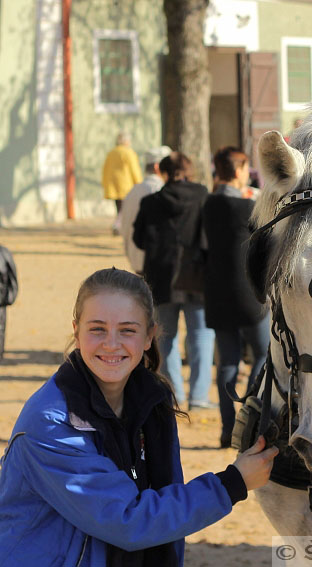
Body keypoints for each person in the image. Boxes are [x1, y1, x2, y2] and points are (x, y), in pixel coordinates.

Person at [0, 268, 278, 565]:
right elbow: (126, 520)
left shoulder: (152, 402)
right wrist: (232, 483)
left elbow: (165, 519)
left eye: (127, 330)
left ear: (149, 336)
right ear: (76, 332)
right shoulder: (51, 422)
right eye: (97, 329)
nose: (111, 343)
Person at [133, 152, 215, 410]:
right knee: (201, 335)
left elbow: (139, 240)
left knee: (164, 338)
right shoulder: (203, 196)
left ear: (162, 172)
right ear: (189, 171)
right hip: (197, 275)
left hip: (161, 276)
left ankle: (173, 394)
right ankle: (199, 396)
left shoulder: (151, 202)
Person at [203, 147, 270, 448]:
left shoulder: (208, 204)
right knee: (262, 354)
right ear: (240, 171)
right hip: (249, 292)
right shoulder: (250, 207)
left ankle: (227, 427)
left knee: (227, 362)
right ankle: (249, 416)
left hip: (216, 291)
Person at [120, 145, 172, 274]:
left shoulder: (133, 191)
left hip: (135, 260)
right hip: (153, 261)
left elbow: (125, 227)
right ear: (157, 167)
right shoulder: (160, 191)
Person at [102, 132, 143, 235]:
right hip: (126, 184)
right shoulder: (128, 152)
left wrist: (105, 183)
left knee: (119, 207)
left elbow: (105, 169)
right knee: (124, 208)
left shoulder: (112, 152)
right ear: (126, 141)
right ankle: (118, 225)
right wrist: (139, 183)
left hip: (113, 184)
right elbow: (134, 170)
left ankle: (119, 225)